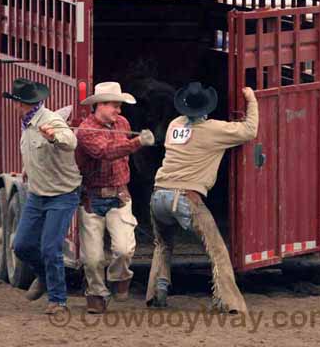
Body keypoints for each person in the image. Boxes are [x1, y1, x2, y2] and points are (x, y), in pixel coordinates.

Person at [146, 82, 258, 314]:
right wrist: (251, 99)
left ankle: (157, 293)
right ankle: (230, 302)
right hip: (186, 196)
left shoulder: (174, 125)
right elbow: (249, 130)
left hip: (158, 196)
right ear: (206, 109)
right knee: (217, 249)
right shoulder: (214, 129)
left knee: (163, 245)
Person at [4, 77, 82, 315]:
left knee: (50, 247)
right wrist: (27, 169)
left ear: (22, 103)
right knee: (22, 245)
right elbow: (32, 151)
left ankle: (58, 300)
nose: (15, 106)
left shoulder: (52, 120)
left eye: (17, 102)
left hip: (62, 193)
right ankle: (45, 278)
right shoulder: (27, 122)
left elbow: (70, 141)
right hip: (38, 194)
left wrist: (54, 136)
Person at [75, 82, 155, 314]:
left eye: (119, 106)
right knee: (92, 258)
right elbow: (106, 152)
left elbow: (119, 152)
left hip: (119, 192)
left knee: (124, 249)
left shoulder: (122, 124)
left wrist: (131, 144)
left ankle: (118, 277)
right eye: (114, 106)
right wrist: (137, 142)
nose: (119, 111)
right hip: (92, 196)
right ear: (99, 105)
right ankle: (97, 293)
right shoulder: (86, 130)